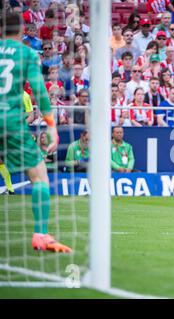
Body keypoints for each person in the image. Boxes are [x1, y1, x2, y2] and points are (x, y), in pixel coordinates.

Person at [0, 13, 71, 252]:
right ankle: (41, 234)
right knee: (39, 177)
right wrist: (51, 125)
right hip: (10, 122)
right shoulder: (27, 53)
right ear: (20, 31)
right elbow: (39, 91)